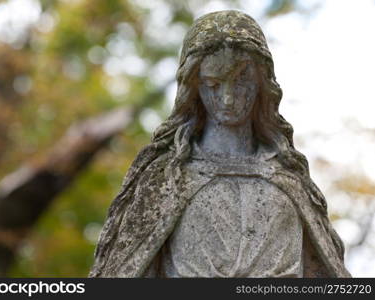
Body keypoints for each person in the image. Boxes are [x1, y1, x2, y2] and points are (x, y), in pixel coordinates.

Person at [89, 10, 350, 278]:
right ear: (194, 87)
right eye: (213, 84)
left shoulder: (291, 182)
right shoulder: (167, 180)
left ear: (262, 82)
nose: (228, 98)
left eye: (241, 80)